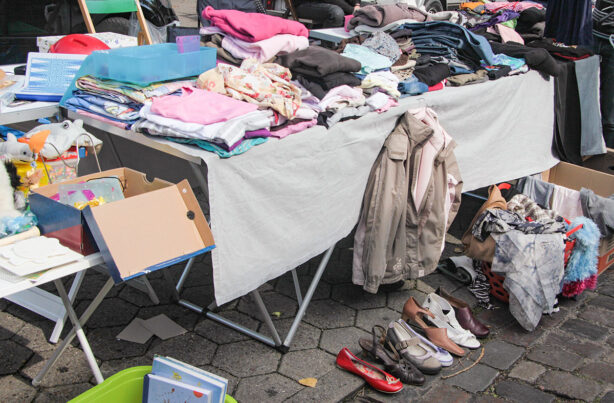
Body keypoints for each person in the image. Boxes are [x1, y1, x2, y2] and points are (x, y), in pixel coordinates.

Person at [294, 0, 360, 28]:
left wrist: (356, 4)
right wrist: (351, 10)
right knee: (337, 13)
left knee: (367, 8)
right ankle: (328, 46)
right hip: (305, 4)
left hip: (332, 3)